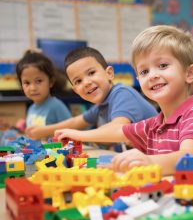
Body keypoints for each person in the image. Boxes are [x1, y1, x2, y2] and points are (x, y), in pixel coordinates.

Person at [55, 25, 193, 175]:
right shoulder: (154, 124)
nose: (152, 75)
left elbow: (191, 158)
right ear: (138, 79)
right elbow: (120, 131)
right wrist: (76, 134)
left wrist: (149, 161)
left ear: (189, 73)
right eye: (144, 71)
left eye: (162, 65)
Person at [25, 47, 157, 150]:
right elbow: (77, 122)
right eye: (78, 81)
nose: (86, 82)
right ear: (76, 91)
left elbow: (119, 128)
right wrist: (44, 130)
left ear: (109, 73)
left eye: (91, 73)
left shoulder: (122, 94)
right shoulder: (102, 104)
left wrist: (78, 135)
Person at [16, 50, 71, 137]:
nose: (33, 88)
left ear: (51, 82)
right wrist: (24, 127)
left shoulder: (56, 106)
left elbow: (71, 130)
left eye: (39, 81)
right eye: (27, 83)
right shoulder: (31, 109)